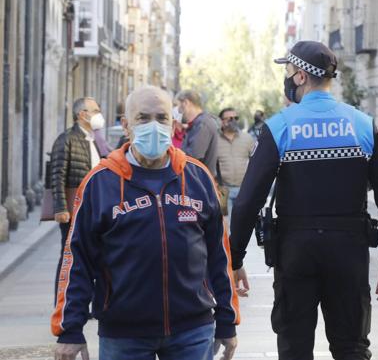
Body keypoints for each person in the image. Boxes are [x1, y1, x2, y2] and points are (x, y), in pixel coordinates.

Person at [229, 41, 378, 360]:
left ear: (299, 77)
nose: (286, 77)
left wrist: (235, 257)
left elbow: (248, 200)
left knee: (294, 347)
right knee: (351, 347)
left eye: (288, 70)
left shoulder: (280, 126)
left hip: (296, 250)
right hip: (349, 250)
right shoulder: (362, 124)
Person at [51, 86, 239, 360]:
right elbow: (77, 259)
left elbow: (219, 256)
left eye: (162, 118)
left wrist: (227, 319)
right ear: (126, 125)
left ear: (173, 124)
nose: (154, 126)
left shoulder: (197, 178)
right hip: (123, 336)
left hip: (193, 332)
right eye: (143, 118)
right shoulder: (99, 183)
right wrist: (70, 329)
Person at [50, 97, 106, 300]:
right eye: (95, 110)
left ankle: (88, 298)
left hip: (94, 207)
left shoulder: (94, 139)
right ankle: (61, 300)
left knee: (94, 255)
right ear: (82, 114)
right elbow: (57, 175)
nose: (99, 115)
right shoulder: (66, 139)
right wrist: (60, 208)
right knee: (69, 256)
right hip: (73, 209)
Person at [216, 107, 255, 213]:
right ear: (221, 121)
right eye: (229, 118)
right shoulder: (214, 140)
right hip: (223, 191)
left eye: (235, 118)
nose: (233, 121)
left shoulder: (247, 139)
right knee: (226, 225)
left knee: (243, 224)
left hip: (244, 189)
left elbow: (256, 162)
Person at [176, 90, 219, 176]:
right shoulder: (198, 124)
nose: (178, 110)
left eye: (178, 105)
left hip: (200, 184)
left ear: (185, 103)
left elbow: (191, 158)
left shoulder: (203, 124)